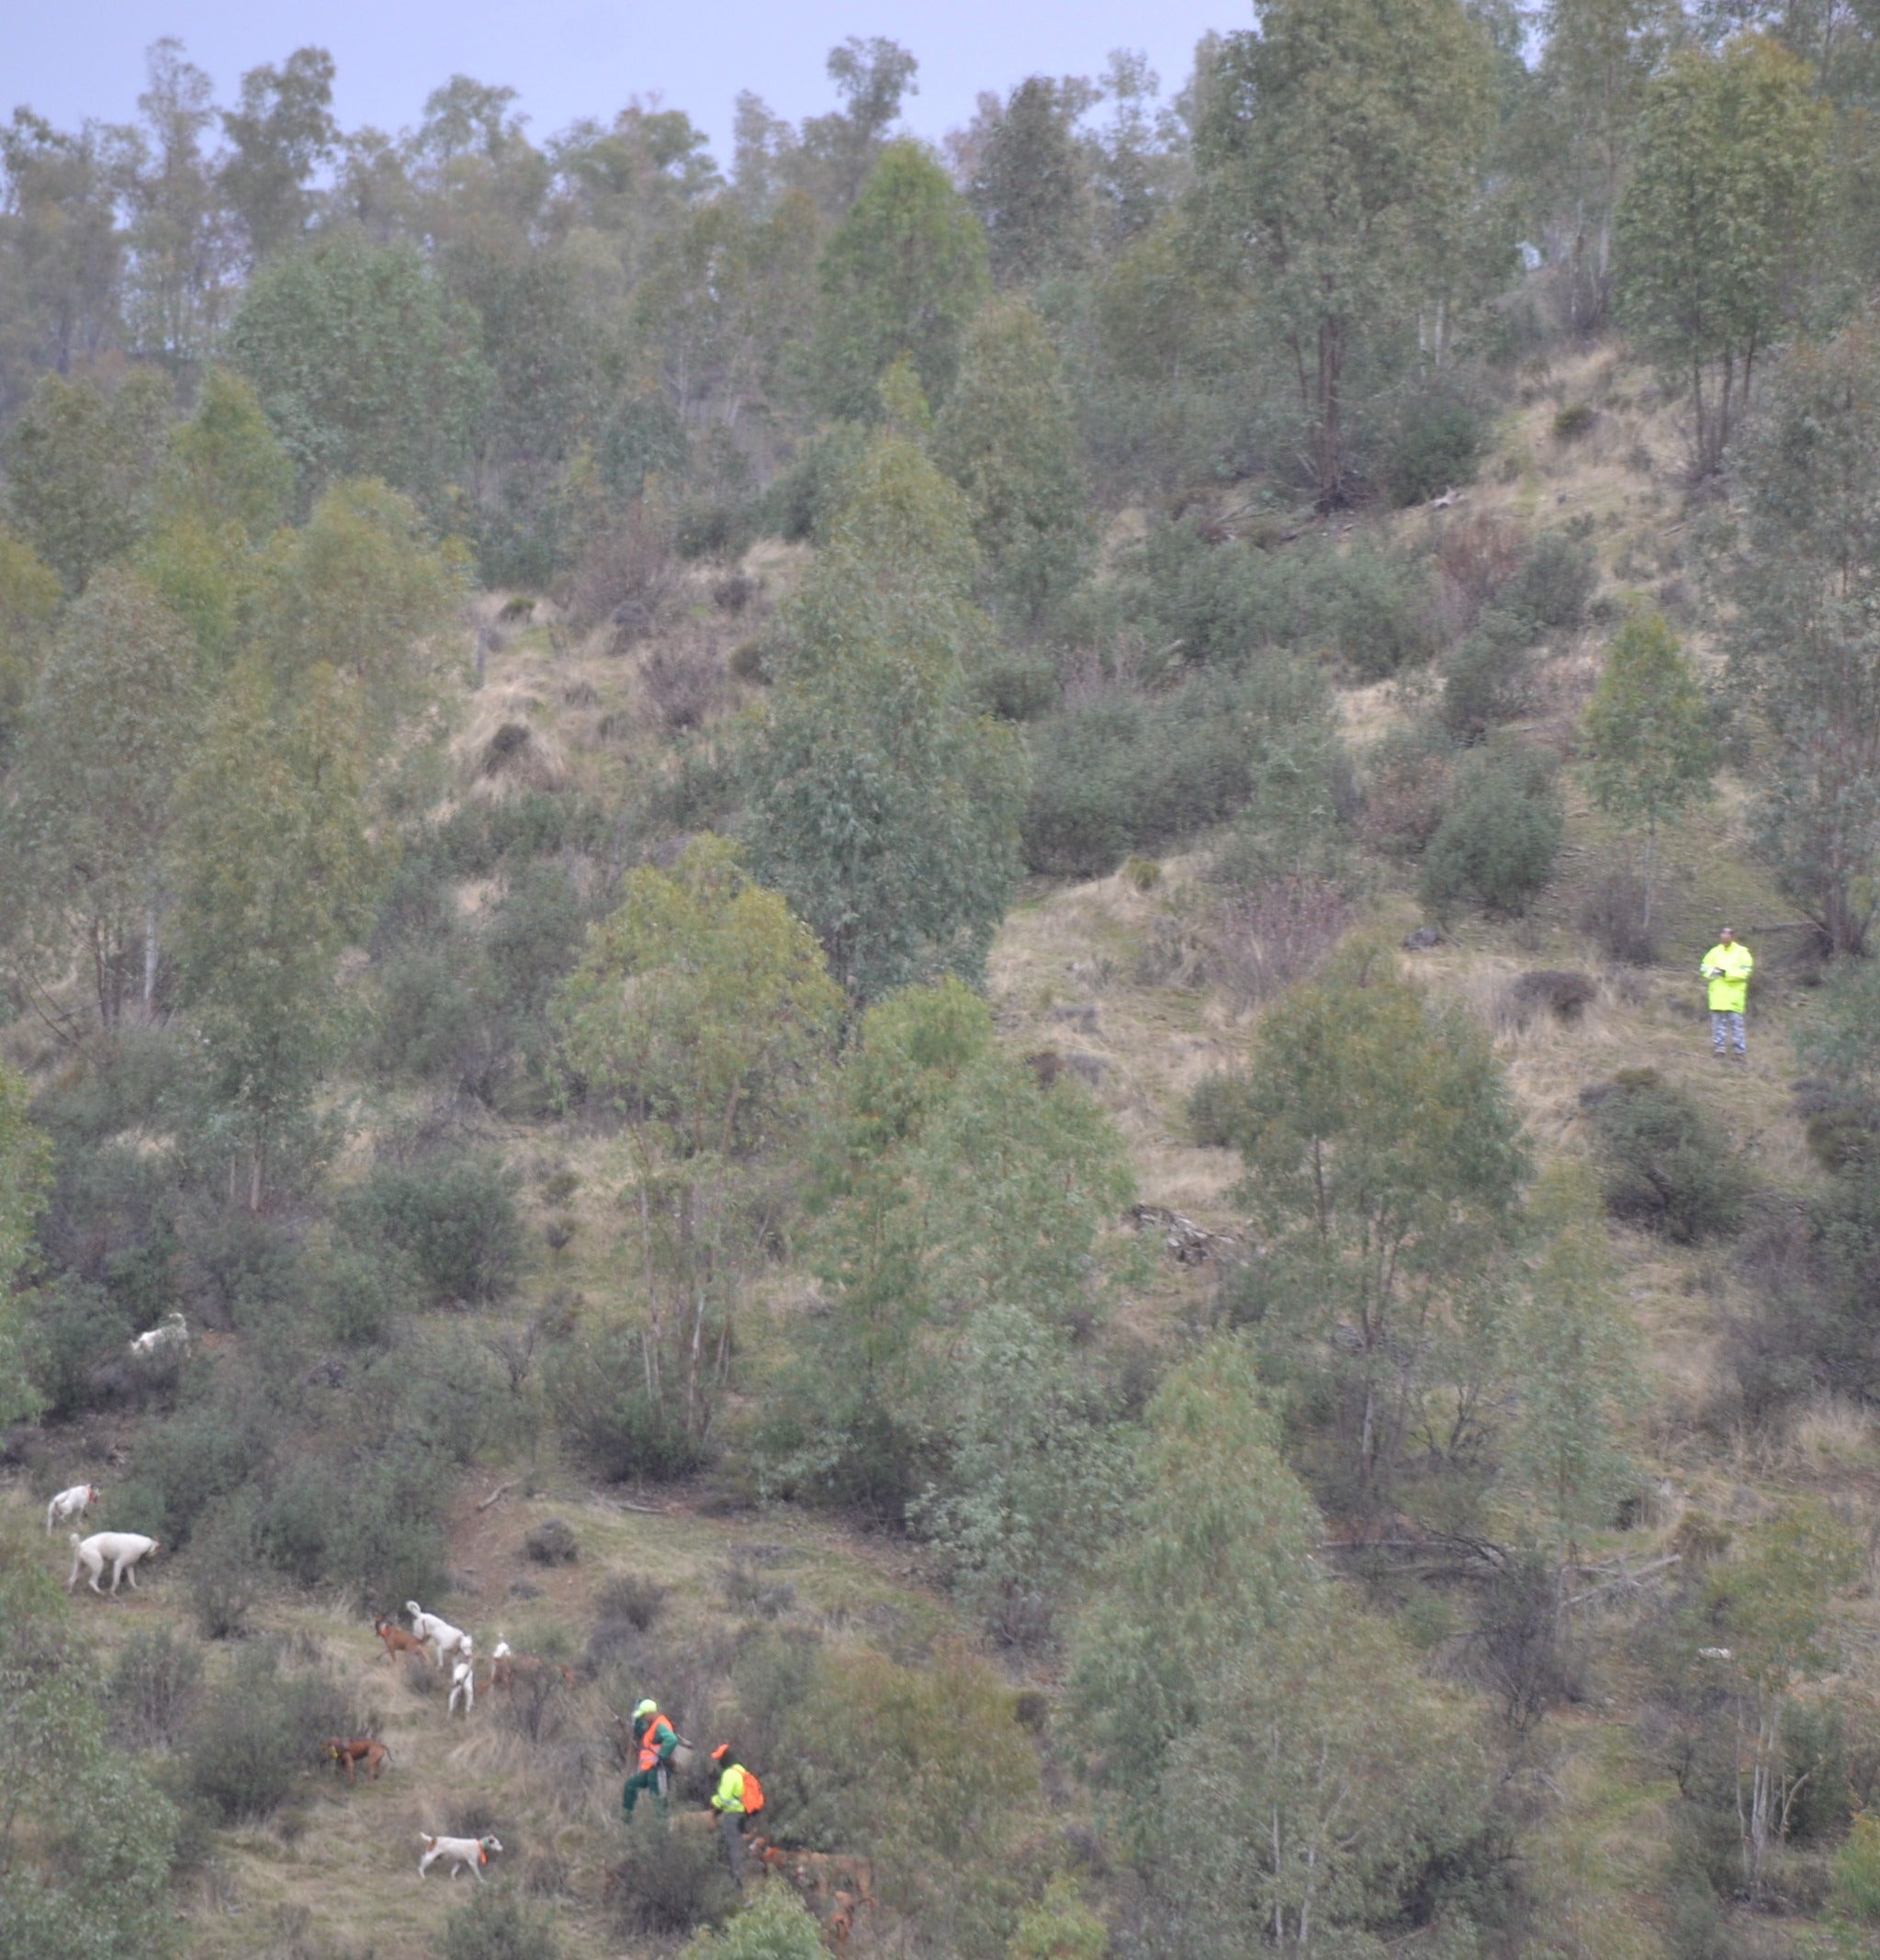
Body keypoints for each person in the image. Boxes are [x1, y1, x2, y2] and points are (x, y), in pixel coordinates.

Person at [1700, 926, 1754, 1060]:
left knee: (1736, 1027)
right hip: (1717, 996)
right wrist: (1712, 972)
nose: (1724, 937)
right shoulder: (1714, 952)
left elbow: (1745, 972)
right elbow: (1704, 967)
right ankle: (1719, 1050)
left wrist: (1726, 973)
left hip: (1734, 997)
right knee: (1718, 1026)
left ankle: (1739, 1053)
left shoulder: (1742, 953)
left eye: (1727, 934)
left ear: (1733, 937)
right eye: (1722, 934)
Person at [708, 1741, 758, 1883]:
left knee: (733, 1849)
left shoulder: (729, 1774)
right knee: (740, 1846)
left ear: (725, 1759)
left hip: (733, 1815)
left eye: (719, 1759)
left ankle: (738, 1883)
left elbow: (724, 1798)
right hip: (744, 1814)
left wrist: (714, 1802)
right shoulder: (741, 1771)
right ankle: (741, 1877)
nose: (718, 1762)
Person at [622, 1697, 678, 1817]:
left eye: (643, 1716)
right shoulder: (651, 1725)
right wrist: (636, 1720)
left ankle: (661, 1828)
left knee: (658, 1803)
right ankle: (627, 1817)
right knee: (631, 1785)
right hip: (649, 1771)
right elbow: (641, 1732)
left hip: (658, 1771)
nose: (643, 1718)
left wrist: (661, 1757)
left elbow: (671, 1739)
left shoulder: (660, 1725)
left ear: (650, 1713)